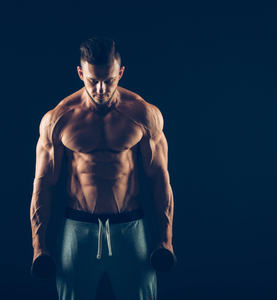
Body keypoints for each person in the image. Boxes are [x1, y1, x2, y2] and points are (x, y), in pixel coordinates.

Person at [30, 37, 175, 300]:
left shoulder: (143, 115)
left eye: (108, 80)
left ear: (120, 72)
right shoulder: (59, 119)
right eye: (92, 80)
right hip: (78, 228)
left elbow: (159, 177)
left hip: (130, 228)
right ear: (80, 73)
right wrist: (38, 246)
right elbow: (43, 182)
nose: (100, 89)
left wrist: (166, 239)